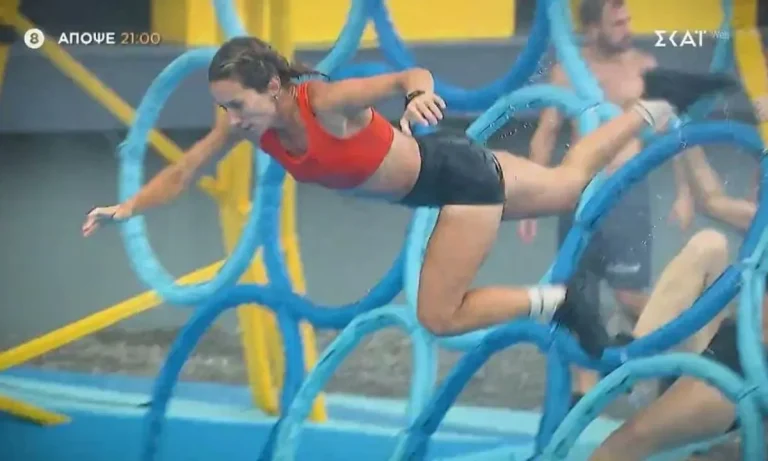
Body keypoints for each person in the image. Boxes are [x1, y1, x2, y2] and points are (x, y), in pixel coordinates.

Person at [82, 36, 732, 341]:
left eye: (237, 104)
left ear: (272, 87)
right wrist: (127, 207)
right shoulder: (248, 128)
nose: (230, 118)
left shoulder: (325, 102)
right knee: (569, 184)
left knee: (437, 316)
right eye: (224, 107)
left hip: (455, 181)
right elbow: (184, 170)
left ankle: (559, 300)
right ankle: (656, 104)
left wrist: (419, 96)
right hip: (449, 169)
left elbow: (407, 75)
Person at [520, 0, 702, 402]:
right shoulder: (568, 72)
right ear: (592, 28)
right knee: (577, 297)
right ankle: (583, 393)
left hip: (627, 196)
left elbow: (675, 131)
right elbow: (545, 134)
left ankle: (677, 365)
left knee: (630, 296)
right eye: (617, 22)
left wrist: (686, 193)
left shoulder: (644, 67)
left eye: (627, 19)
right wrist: (531, 195)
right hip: (579, 195)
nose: (627, 27)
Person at [587, 125, 766, 461]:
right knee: (709, 244)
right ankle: (631, 359)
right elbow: (710, 200)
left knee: (620, 447)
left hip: (753, 372)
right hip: (734, 356)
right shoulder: (762, 222)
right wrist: (684, 131)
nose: (756, 188)